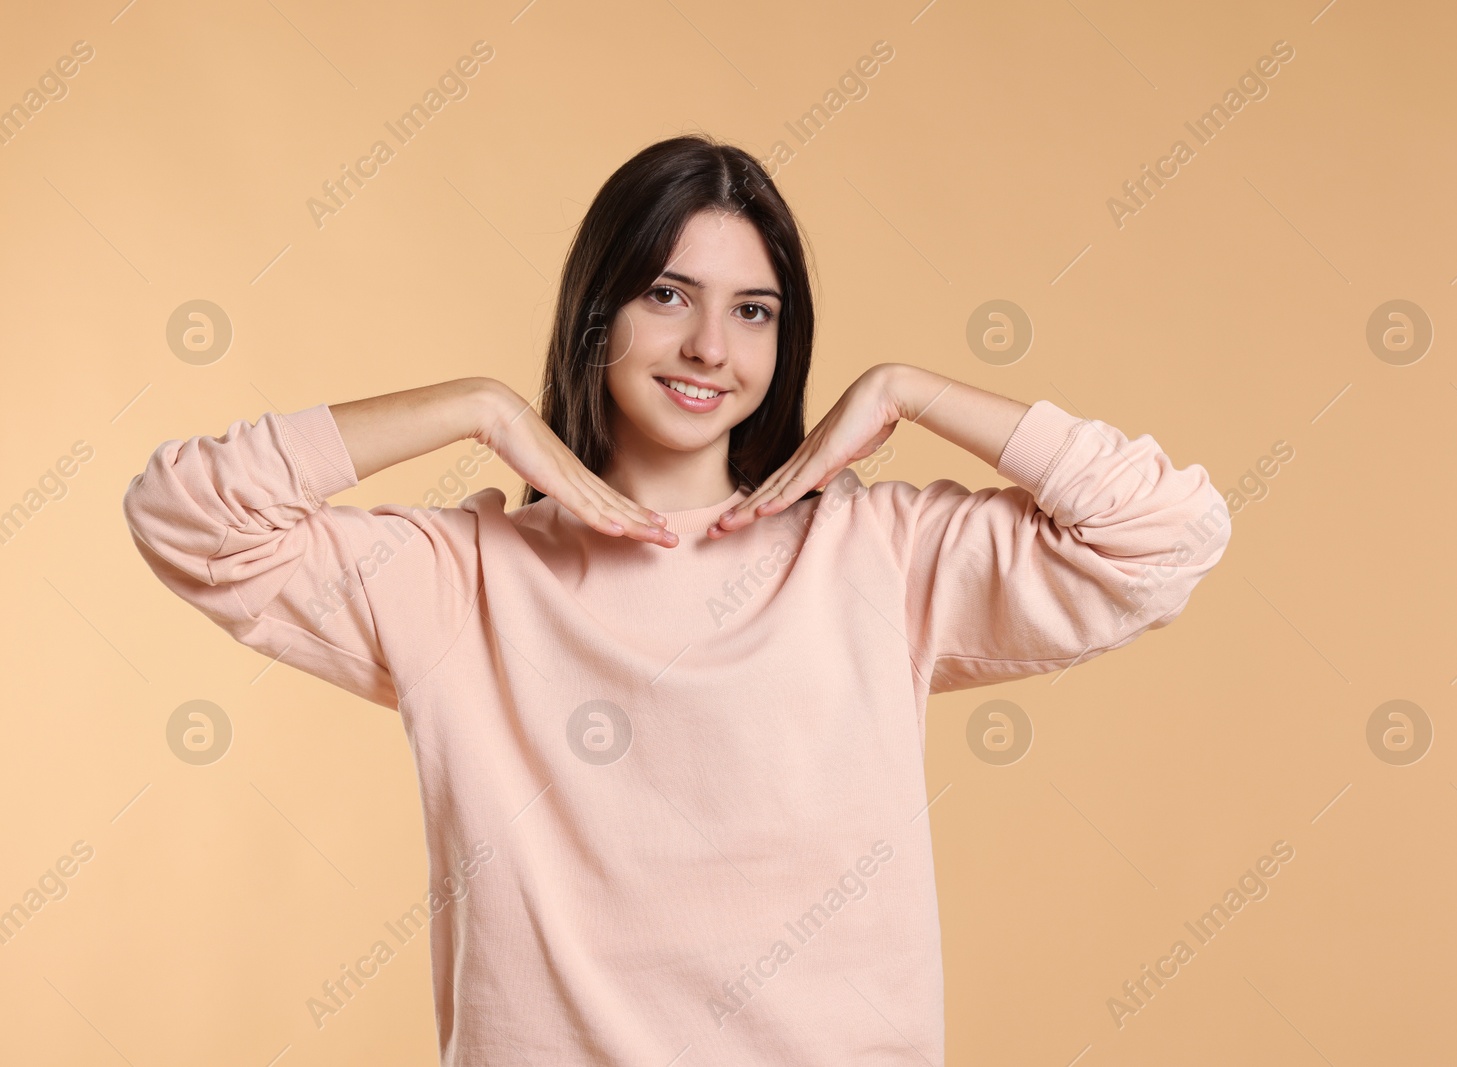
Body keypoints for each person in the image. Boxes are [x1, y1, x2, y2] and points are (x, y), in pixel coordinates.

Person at [122, 134, 1232, 1066]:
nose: (711, 346)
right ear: (596, 313)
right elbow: (187, 514)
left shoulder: (878, 551)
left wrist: (914, 391)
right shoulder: (462, 577)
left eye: (754, 311)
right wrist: (475, 408)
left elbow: (1167, 537)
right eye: (668, 295)